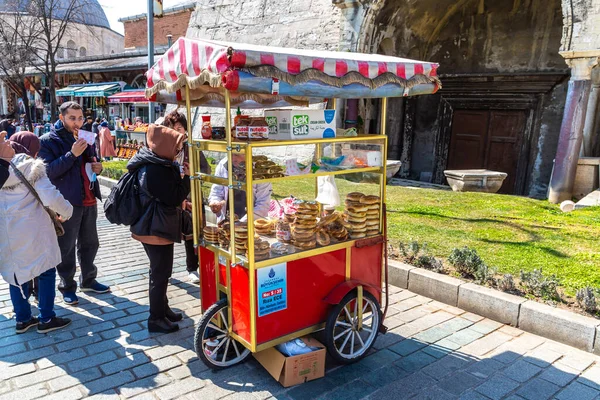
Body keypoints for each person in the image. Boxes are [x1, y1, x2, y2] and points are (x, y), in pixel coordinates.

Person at [0, 133, 74, 334]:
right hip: (34, 230)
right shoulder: (29, 164)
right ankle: (46, 318)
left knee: (16, 274)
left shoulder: (2, 167)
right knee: (46, 270)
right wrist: (67, 211)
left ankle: (23, 319)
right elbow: (49, 195)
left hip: (7, 231)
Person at [38, 102, 110, 306]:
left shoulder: (86, 136)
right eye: (72, 118)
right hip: (66, 202)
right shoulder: (47, 141)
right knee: (66, 246)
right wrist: (72, 155)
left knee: (90, 243)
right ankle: (67, 286)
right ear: (61, 118)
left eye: (80, 118)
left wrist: (98, 167)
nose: (77, 122)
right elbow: (48, 172)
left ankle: (88, 279)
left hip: (88, 198)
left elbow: (92, 162)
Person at [127, 124, 190, 333]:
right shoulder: (155, 169)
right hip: (155, 228)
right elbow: (174, 196)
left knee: (161, 270)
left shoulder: (154, 161)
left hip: (153, 226)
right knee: (160, 272)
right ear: (164, 145)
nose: (179, 150)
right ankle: (156, 318)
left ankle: (163, 309)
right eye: (176, 145)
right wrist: (187, 178)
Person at [161, 110, 210, 283]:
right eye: (172, 128)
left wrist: (192, 173)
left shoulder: (193, 147)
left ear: (186, 129)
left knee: (193, 233)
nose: (176, 132)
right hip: (171, 197)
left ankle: (193, 267)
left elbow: (206, 170)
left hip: (191, 195)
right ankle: (164, 271)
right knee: (166, 235)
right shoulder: (164, 148)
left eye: (179, 128)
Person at [208, 154, 272, 223]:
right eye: (230, 154)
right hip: (226, 222)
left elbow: (263, 203)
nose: (232, 159)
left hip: (252, 224)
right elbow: (216, 191)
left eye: (236, 155)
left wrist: (242, 222)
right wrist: (215, 201)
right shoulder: (223, 164)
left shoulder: (260, 170)